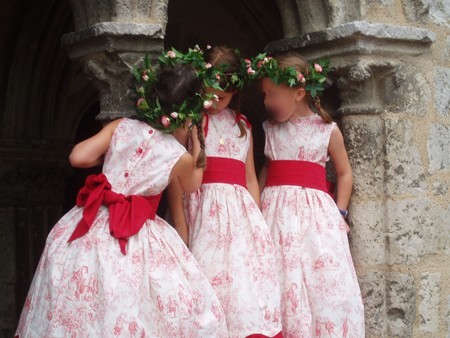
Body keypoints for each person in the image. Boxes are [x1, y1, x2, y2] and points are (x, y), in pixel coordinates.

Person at [15, 60, 228, 337]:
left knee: (84, 298)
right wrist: (197, 141)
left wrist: (115, 155)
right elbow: (191, 184)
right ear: (188, 112)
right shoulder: (177, 155)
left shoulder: (122, 126)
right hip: (138, 234)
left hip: (93, 221)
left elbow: (78, 157)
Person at [253, 52, 365, 337]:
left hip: (316, 215)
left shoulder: (327, 130)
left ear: (299, 93)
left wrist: (340, 213)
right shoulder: (270, 129)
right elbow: (267, 168)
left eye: (273, 94)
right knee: (278, 274)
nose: (267, 102)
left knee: (321, 279)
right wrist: (256, 209)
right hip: (276, 212)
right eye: (264, 95)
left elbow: (344, 173)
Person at [177, 46, 282, 337]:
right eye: (207, 93)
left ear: (234, 93)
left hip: (239, 217)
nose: (212, 102)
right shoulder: (191, 121)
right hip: (204, 211)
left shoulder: (243, 126)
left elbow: (249, 177)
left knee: (241, 282)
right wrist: (181, 224)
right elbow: (177, 174)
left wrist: (258, 221)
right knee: (207, 275)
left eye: (220, 97)